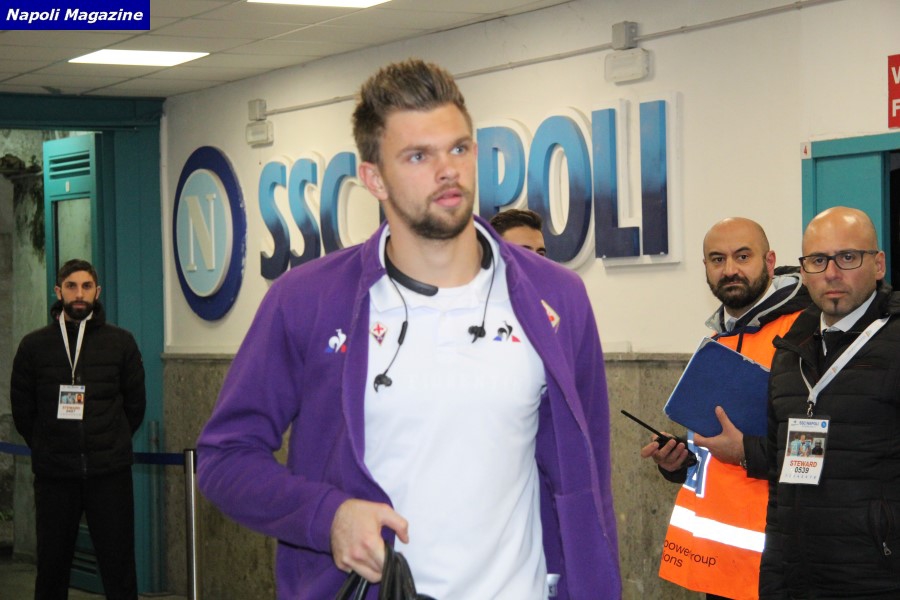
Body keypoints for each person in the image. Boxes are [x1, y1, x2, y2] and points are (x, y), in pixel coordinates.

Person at [196, 59, 620, 599]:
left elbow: (589, 480)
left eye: (459, 149)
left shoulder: (556, 297)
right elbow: (225, 458)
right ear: (373, 177)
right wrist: (328, 516)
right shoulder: (308, 301)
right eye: (419, 156)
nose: (448, 171)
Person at [641, 217, 809, 600]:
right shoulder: (718, 340)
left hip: (780, 570)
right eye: (717, 259)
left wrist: (745, 452)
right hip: (720, 569)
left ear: (770, 262)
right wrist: (680, 460)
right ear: (705, 268)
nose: (730, 269)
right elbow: (717, 449)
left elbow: (817, 449)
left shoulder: (803, 333)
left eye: (743, 256)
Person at [761, 206, 900, 598]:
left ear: (878, 264)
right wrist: (774, 578)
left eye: (848, 257)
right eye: (818, 260)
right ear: (804, 271)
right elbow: (779, 482)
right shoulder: (789, 349)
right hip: (799, 579)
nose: (832, 273)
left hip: (878, 579)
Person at [10, 258, 146, 600]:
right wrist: (46, 444)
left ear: (97, 292)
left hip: (109, 474)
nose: (79, 294)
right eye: (71, 286)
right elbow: (23, 410)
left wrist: (111, 440)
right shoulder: (33, 346)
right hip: (55, 475)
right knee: (51, 569)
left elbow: (135, 405)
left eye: (86, 286)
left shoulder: (121, 343)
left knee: (119, 569)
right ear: (59, 292)